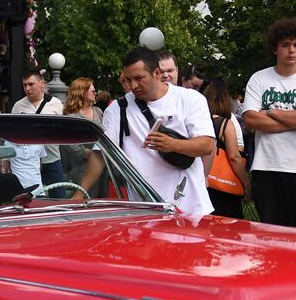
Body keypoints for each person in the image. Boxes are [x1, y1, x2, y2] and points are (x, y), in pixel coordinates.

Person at [81, 48, 215, 215]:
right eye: (128, 80)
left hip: (191, 207)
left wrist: (173, 144)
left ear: (157, 73)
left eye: (139, 78)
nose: (133, 86)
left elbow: (206, 145)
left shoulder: (190, 99)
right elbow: (100, 154)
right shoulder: (117, 109)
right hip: (144, 210)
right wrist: (79, 194)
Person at [242, 18, 296, 227]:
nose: (291, 50)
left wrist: (269, 111)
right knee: (270, 235)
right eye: (285, 45)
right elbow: (251, 119)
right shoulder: (259, 79)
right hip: (266, 167)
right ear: (274, 48)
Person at [204, 78, 250, 219]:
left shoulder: (199, 121)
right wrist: (247, 184)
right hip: (224, 187)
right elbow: (234, 157)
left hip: (203, 183)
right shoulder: (225, 124)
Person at [12, 70, 66, 186]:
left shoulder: (55, 103)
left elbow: (62, 129)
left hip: (52, 158)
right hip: (28, 164)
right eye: (25, 85)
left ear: (41, 83)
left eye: (31, 84)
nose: (27, 88)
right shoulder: (18, 106)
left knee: (59, 197)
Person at [60, 78, 102, 186]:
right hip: (82, 168)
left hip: (102, 167)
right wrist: (90, 153)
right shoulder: (71, 116)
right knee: (86, 200)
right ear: (82, 92)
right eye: (92, 91)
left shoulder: (98, 111)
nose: (95, 93)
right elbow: (68, 142)